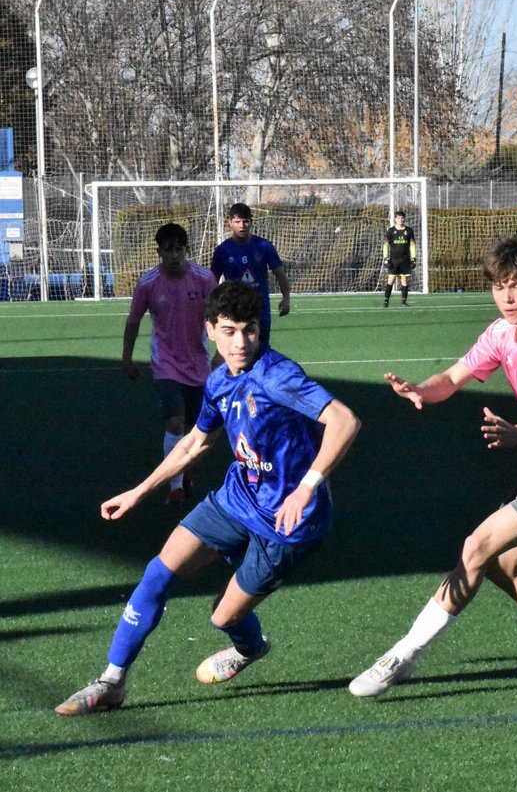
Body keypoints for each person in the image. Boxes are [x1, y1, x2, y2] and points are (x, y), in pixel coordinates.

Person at [56, 282, 361, 716]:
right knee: (157, 574)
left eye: (250, 331)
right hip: (237, 499)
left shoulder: (278, 376)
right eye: (230, 330)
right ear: (211, 331)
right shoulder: (218, 381)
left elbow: (345, 421)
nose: (241, 342)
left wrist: (307, 485)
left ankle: (250, 647)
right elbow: (195, 443)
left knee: (223, 617)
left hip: (290, 521)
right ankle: (112, 682)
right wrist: (139, 492)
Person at [349, 237, 517, 698]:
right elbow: (452, 378)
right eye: (499, 287)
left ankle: (402, 656)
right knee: (501, 563)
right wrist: (420, 390)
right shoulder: (501, 334)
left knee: (476, 546)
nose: (508, 298)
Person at [122, 223, 218, 505]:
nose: (174, 255)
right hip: (165, 365)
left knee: (194, 431)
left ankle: (183, 472)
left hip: (199, 365)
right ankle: (175, 487)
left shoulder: (204, 279)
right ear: (159, 251)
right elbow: (133, 320)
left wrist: (222, 355)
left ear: (186, 250)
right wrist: (126, 358)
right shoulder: (148, 283)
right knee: (175, 423)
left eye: (179, 249)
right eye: (169, 250)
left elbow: (218, 317)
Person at [211, 202, 292, 345]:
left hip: (261, 309)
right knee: (238, 351)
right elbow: (212, 281)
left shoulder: (264, 246)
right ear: (230, 222)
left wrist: (286, 298)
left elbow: (280, 273)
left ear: (251, 222)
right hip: (233, 309)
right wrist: (213, 308)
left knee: (261, 349)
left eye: (245, 221)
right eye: (237, 221)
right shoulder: (222, 250)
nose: (241, 225)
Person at [382, 211, 417, 307]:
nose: (400, 220)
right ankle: (386, 301)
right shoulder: (390, 231)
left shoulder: (409, 231)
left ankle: (404, 302)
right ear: (395, 219)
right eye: (398, 218)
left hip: (405, 260)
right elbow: (385, 245)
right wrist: (385, 258)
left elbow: (413, 245)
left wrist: (414, 258)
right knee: (390, 280)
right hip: (394, 261)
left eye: (402, 218)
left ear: (404, 219)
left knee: (404, 280)